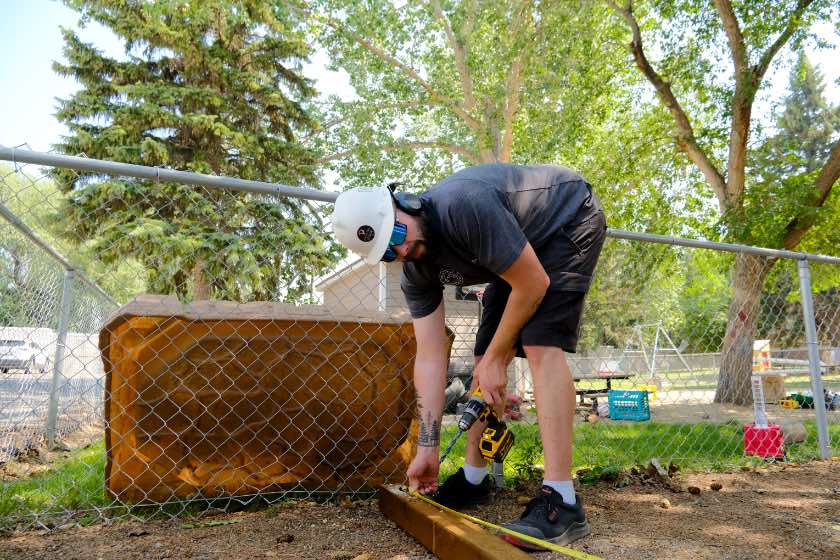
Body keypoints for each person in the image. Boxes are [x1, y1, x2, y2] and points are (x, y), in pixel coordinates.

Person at [330, 163, 606, 549]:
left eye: (397, 234)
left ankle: (563, 501)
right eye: (389, 253)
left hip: (567, 220)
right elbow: (428, 355)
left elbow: (534, 282)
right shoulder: (416, 270)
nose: (403, 250)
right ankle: (474, 480)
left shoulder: (463, 206)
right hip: (519, 250)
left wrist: (498, 359)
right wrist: (427, 447)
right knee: (482, 362)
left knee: (541, 343)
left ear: (404, 204)